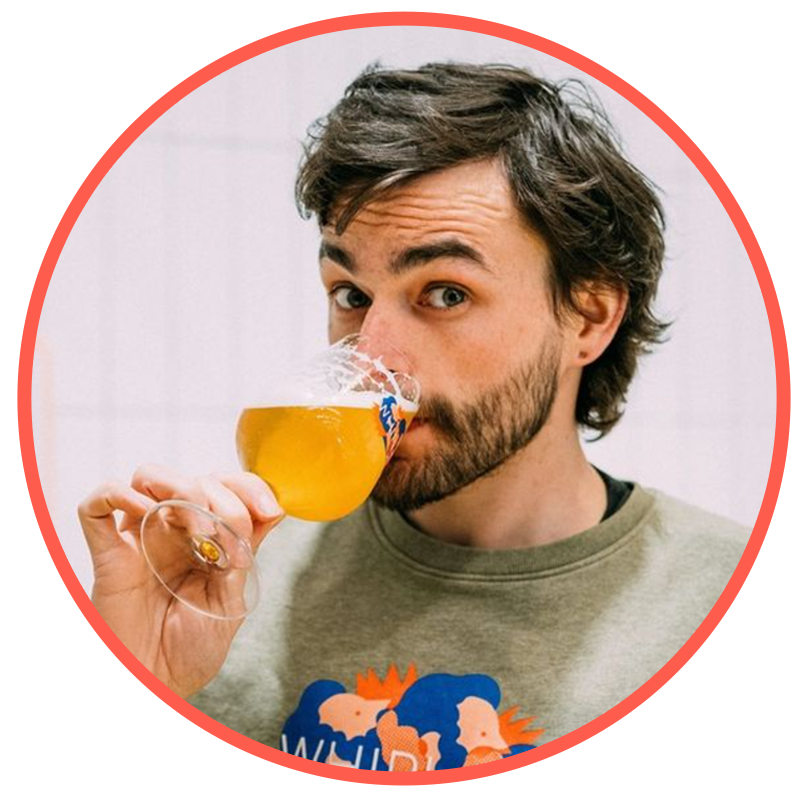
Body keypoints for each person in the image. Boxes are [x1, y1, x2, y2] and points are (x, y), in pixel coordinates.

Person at [78, 62, 749, 771]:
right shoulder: (219, 582)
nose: (373, 355)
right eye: (351, 293)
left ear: (588, 317)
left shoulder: (739, 603)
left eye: (446, 293)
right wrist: (132, 685)